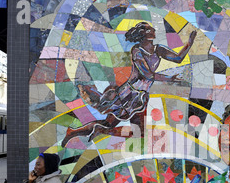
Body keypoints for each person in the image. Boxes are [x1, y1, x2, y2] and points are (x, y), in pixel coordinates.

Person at [61, 22, 197, 146]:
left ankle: (87, 131)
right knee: (123, 127)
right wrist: (170, 79)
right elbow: (147, 74)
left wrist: (189, 43)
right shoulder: (137, 51)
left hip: (141, 95)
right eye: (149, 29)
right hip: (129, 94)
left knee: (132, 130)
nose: (153, 29)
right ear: (143, 34)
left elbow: (178, 58)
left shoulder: (158, 49)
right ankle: (92, 131)